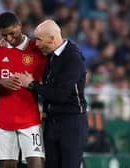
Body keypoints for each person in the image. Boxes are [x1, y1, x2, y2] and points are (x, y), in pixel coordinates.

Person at [16, 19, 88, 168]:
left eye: (39, 40)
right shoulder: (50, 53)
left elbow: (61, 95)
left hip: (71, 123)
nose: (36, 44)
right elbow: (26, 46)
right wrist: (5, 44)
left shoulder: (72, 58)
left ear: (52, 39)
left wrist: (31, 84)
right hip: (52, 123)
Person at [0, 12, 47, 168]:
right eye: (5, 35)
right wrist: (2, 83)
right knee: (7, 166)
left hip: (31, 121)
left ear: (19, 25)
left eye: (12, 33)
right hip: (4, 122)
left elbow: (47, 82)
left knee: (36, 164)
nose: (9, 38)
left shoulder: (36, 49)